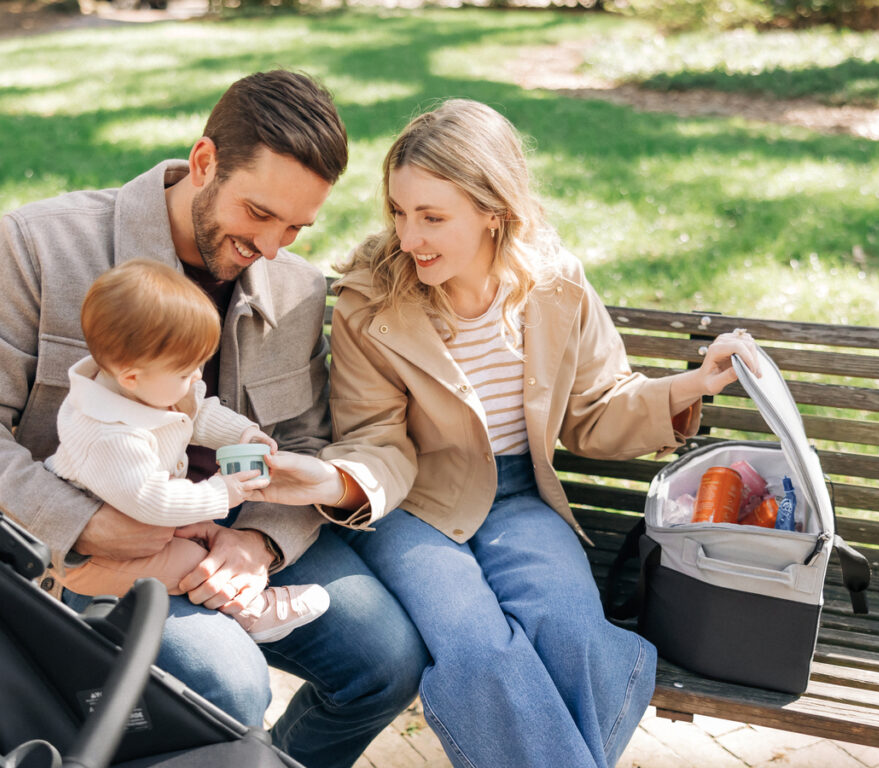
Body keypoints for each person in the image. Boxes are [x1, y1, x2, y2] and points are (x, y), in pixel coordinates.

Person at [0, 70, 427, 768]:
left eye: (298, 227)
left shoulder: (296, 286)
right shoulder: (40, 245)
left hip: (236, 523)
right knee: (229, 689)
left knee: (386, 662)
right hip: (80, 545)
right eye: (259, 214)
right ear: (204, 161)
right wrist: (84, 525)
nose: (274, 248)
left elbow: (304, 441)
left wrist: (260, 548)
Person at [252, 99, 762, 768]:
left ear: (494, 210)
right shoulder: (369, 302)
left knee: (572, 632)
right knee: (476, 648)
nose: (410, 238)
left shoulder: (556, 288)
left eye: (433, 217)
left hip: (520, 498)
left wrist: (693, 384)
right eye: (400, 213)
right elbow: (377, 440)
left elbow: (595, 411)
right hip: (413, 507)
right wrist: (331, 480)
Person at [46, 259, 330, 643]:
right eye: (185, 372)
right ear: (130, 376)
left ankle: (233, 580)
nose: (196, 377)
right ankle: (252, 611)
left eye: (200, 365)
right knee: (188, 560)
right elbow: (151, 500)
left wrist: (242, 434)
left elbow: (199, 411)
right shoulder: (108, 434)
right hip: (98, 555)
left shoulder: (150, 385)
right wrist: (222, 492)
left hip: (142, 516)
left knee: (200, 532)